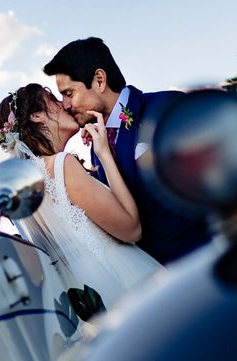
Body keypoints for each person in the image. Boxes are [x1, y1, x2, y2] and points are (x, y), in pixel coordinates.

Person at [44, 37, 211, 264]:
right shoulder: (97, 147)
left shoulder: (167, 107)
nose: (65, 104)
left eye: (69, 93)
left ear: (99, 80)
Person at [0, 83, 161, 309]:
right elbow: (131, 229)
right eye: (52, 99)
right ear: (36, 116)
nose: (64, 104)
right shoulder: (61, 165)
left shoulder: (28, 186)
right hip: (124, 281)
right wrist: (104, 154)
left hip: (88, 293)